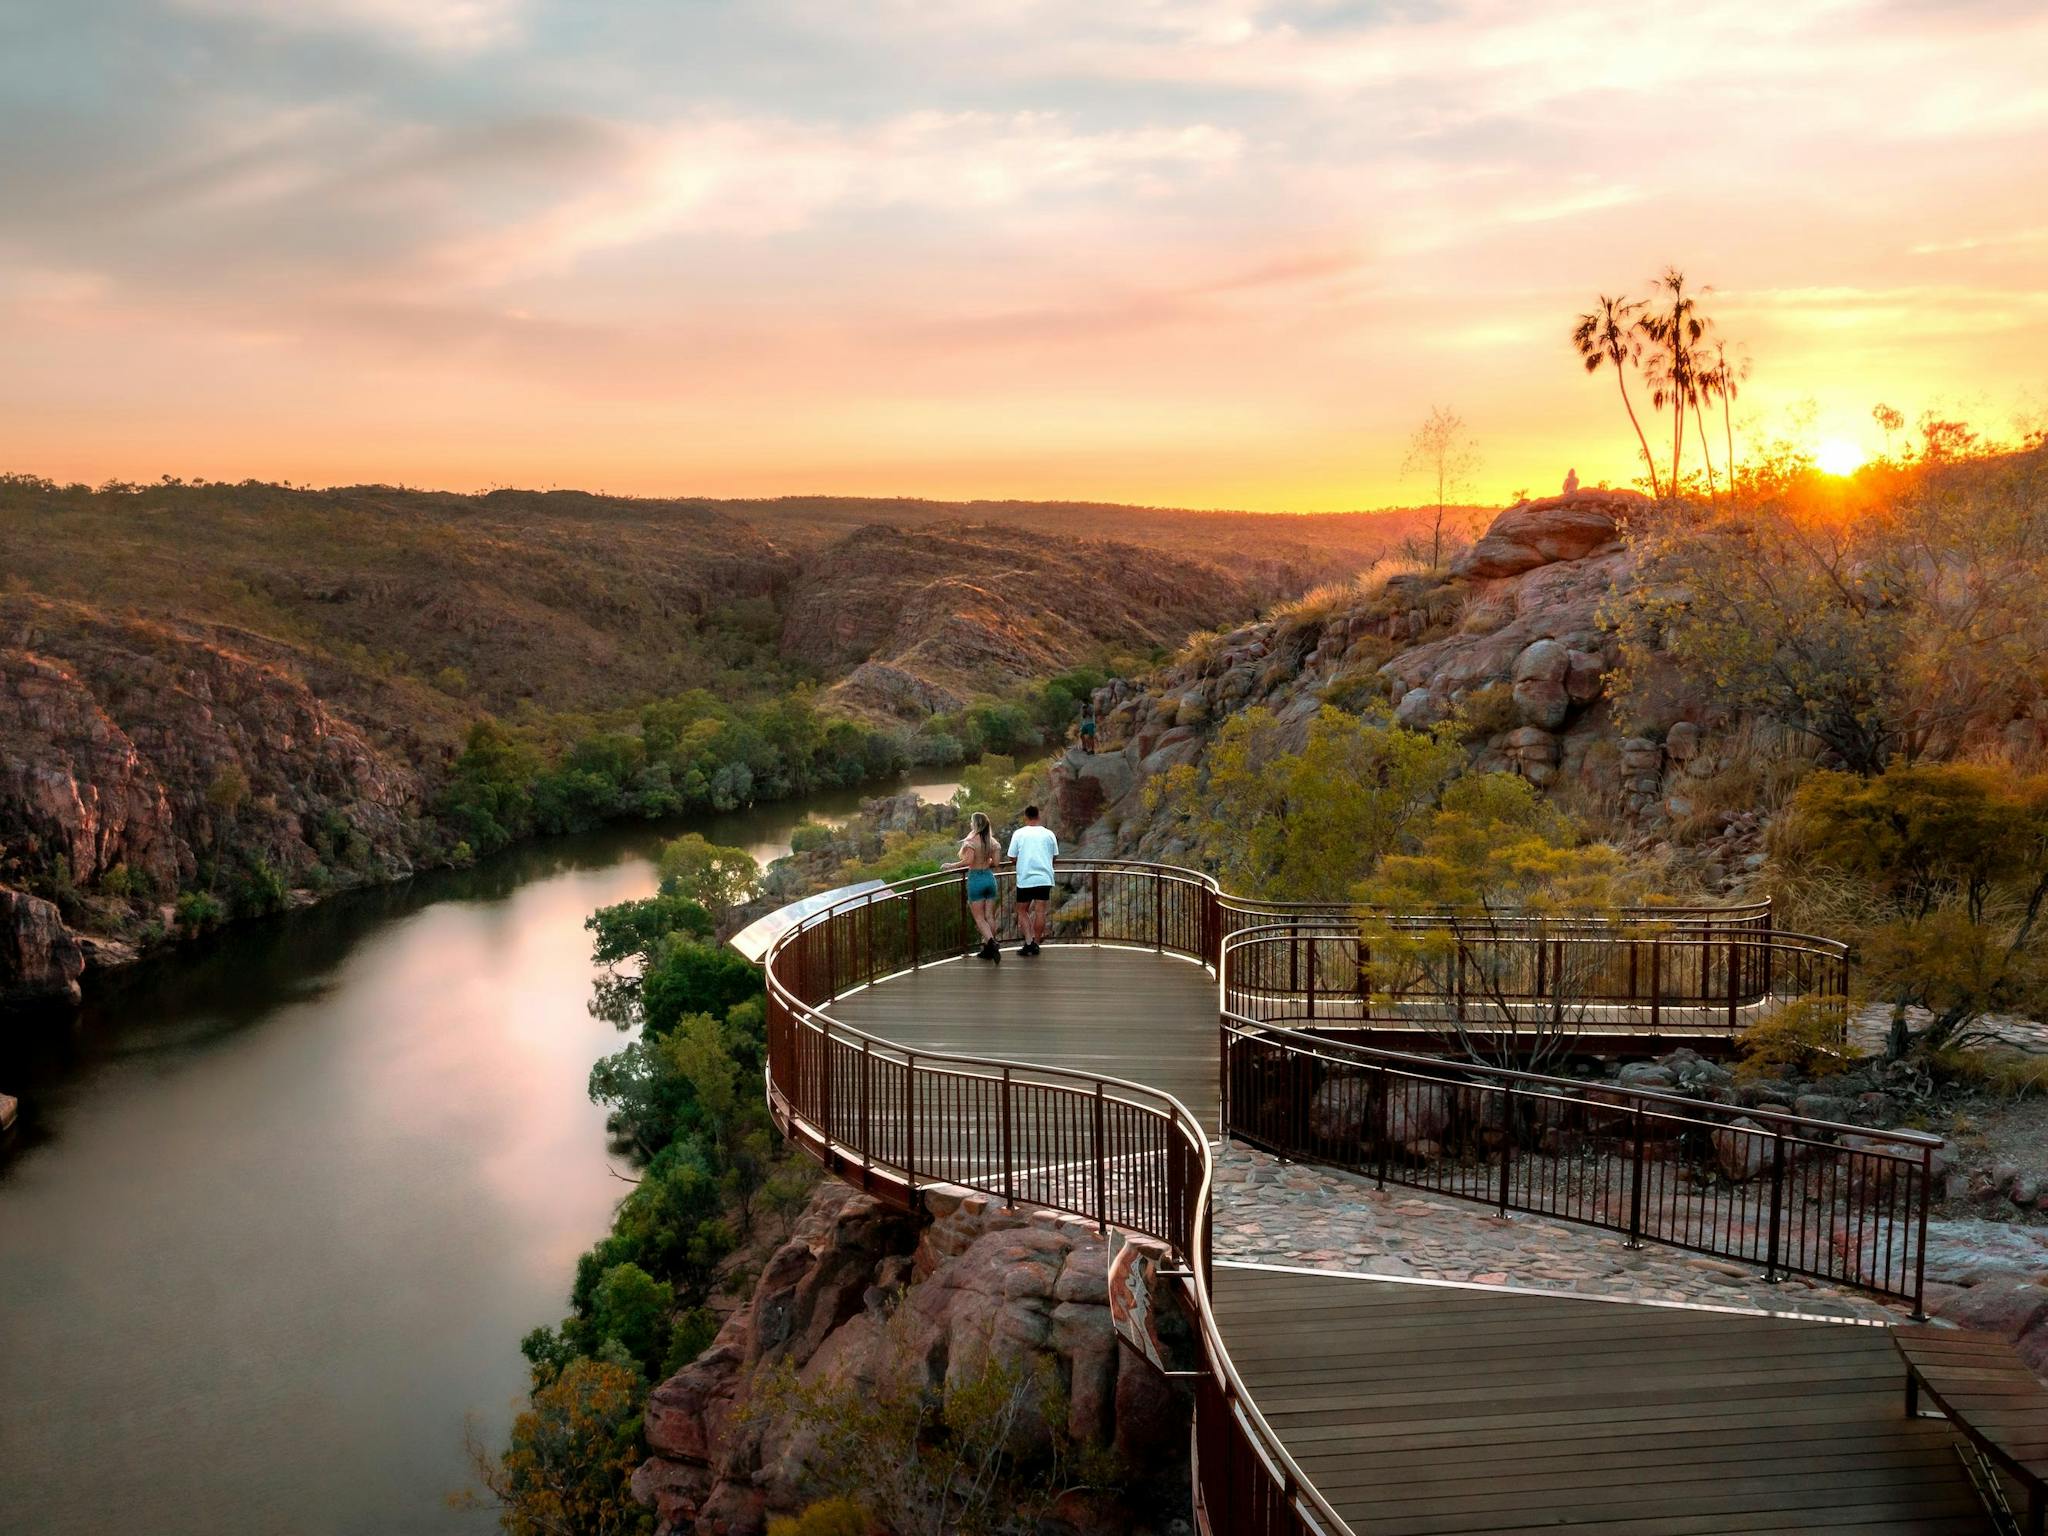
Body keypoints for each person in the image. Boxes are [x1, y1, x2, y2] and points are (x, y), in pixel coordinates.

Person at [1005, 804, 1059, 957]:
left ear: (1026, 817)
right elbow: (1054, 855)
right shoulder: (1049, 834)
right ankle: (1036, 943)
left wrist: (1021, 862)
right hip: (1044, 877)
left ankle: (1028, 942)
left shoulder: (1019, 834)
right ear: (1039, 816)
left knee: (1022, 910)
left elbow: (1011, 857)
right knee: (1040, 911)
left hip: (1026, 878)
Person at [953, 811, 1003, 962]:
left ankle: (992, 944)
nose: (969, 824)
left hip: (976, 880)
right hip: (989, 878)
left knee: (980, 919)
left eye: (971, 821)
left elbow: (968, 861)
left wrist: (951, 866)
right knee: (989, 916)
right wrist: (985, 862)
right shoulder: (992, 842)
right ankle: (989, 949)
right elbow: (996, 863)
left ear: (975, 824)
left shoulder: (971, 841)